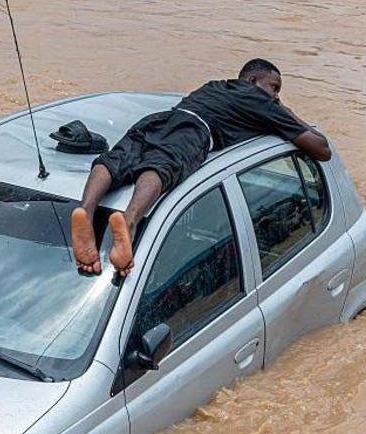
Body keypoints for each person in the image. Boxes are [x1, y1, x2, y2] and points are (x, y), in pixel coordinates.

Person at [70, 58, 332, 277]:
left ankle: (86, 210)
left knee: (116, 158)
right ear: (253, 81)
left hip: (161, 119)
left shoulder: (215, 86)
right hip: (194, 132)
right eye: (274, 88)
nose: (275, 96)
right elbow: (321, 149)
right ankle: (130, 221)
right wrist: (285, 111)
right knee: (163, 165)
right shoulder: (259, 101)